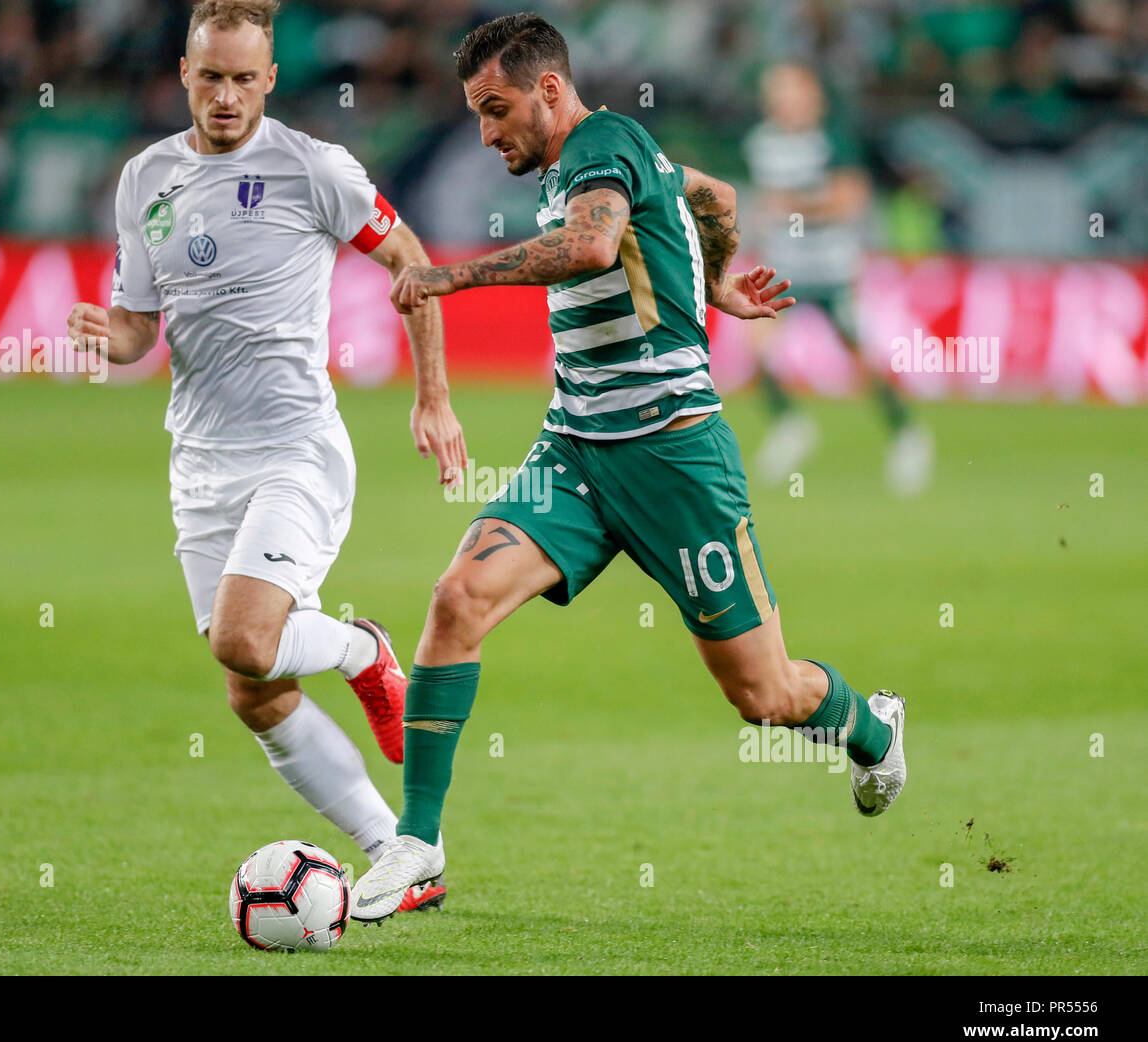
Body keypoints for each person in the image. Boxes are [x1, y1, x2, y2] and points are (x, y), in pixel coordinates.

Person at [350, 13, 907, 924]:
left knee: (765, 696)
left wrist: (453, 277)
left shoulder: (602, 143)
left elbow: (593, 246)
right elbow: (716, 196)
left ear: (551, 92)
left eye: (496, 110)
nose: (487, 132)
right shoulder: (601, 157)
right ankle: (416, 843)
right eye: (476, 114)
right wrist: (711, 279)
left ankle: (873, 725)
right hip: (575, 449)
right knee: (458, 599)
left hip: (676, 457)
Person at [65, 0, 465, 914]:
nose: (227, 97)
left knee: (243, 637)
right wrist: (109, 340)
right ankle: (404, 858)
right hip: (198, 461)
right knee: (253, 689)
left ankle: (364, 649)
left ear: (272, 79)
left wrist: (432, 395)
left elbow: (412, 263)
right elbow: (138, 330)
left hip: (296, 448)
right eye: (211, 77)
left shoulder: (312, 168)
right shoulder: (145, 181)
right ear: (183, 73)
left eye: (245, 78)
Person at [743, 61, 934, 496]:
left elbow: (850, 201)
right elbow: (763, 207)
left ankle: (907, 434)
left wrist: (794, 206)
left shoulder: (833, 140)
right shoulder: (761, 143)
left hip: (831, 269)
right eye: (775, 92)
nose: (781, 101)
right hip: (783, 268)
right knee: (754, 347)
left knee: (860, 357)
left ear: (812, 96)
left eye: (790, 91)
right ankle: (791, 424)